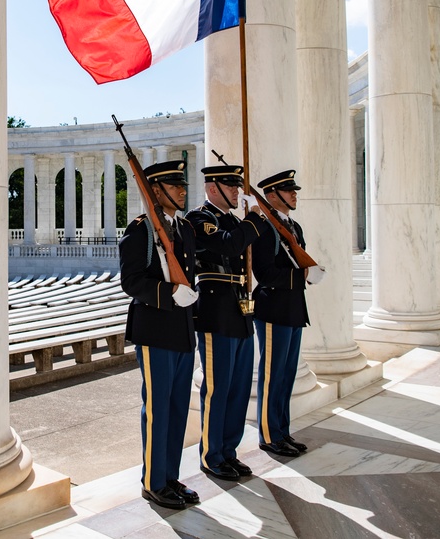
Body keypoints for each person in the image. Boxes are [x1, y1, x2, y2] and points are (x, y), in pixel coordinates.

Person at [119, 160, 200, 510]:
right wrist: (169, 293)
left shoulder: (183, 229)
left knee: (178, 408)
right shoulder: (141, 230)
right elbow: (132, 282)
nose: (182, 190)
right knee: (157, 410)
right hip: (155, 332)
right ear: (155, 190)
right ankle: (153, 482)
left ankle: (170, 476)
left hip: (182, 330)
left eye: (182, 184)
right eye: (174, 185)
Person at [187, 164, 265, 481]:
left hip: (240, 307)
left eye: (236, 186)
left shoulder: (234, 221)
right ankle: (211, 455)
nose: (236, 191)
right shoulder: (200, 219)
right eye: (231, 186)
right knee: (218, 387)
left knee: (238, 386)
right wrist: (254, 219)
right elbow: (228, 244)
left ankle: (228, 451)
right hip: (215, 308)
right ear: (212, 188)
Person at [250, 169, 324, 458]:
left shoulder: (294, 228)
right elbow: (265, 273)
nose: (294, 194)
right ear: (271, 196)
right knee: (272, 376)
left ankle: (282, 431)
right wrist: (302, 275)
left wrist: (308, 273)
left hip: (292, 308)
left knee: (287, 375)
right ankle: (269, 435)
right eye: (288, 190)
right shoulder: (266, 229)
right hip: (272, 308)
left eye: (293, 190)